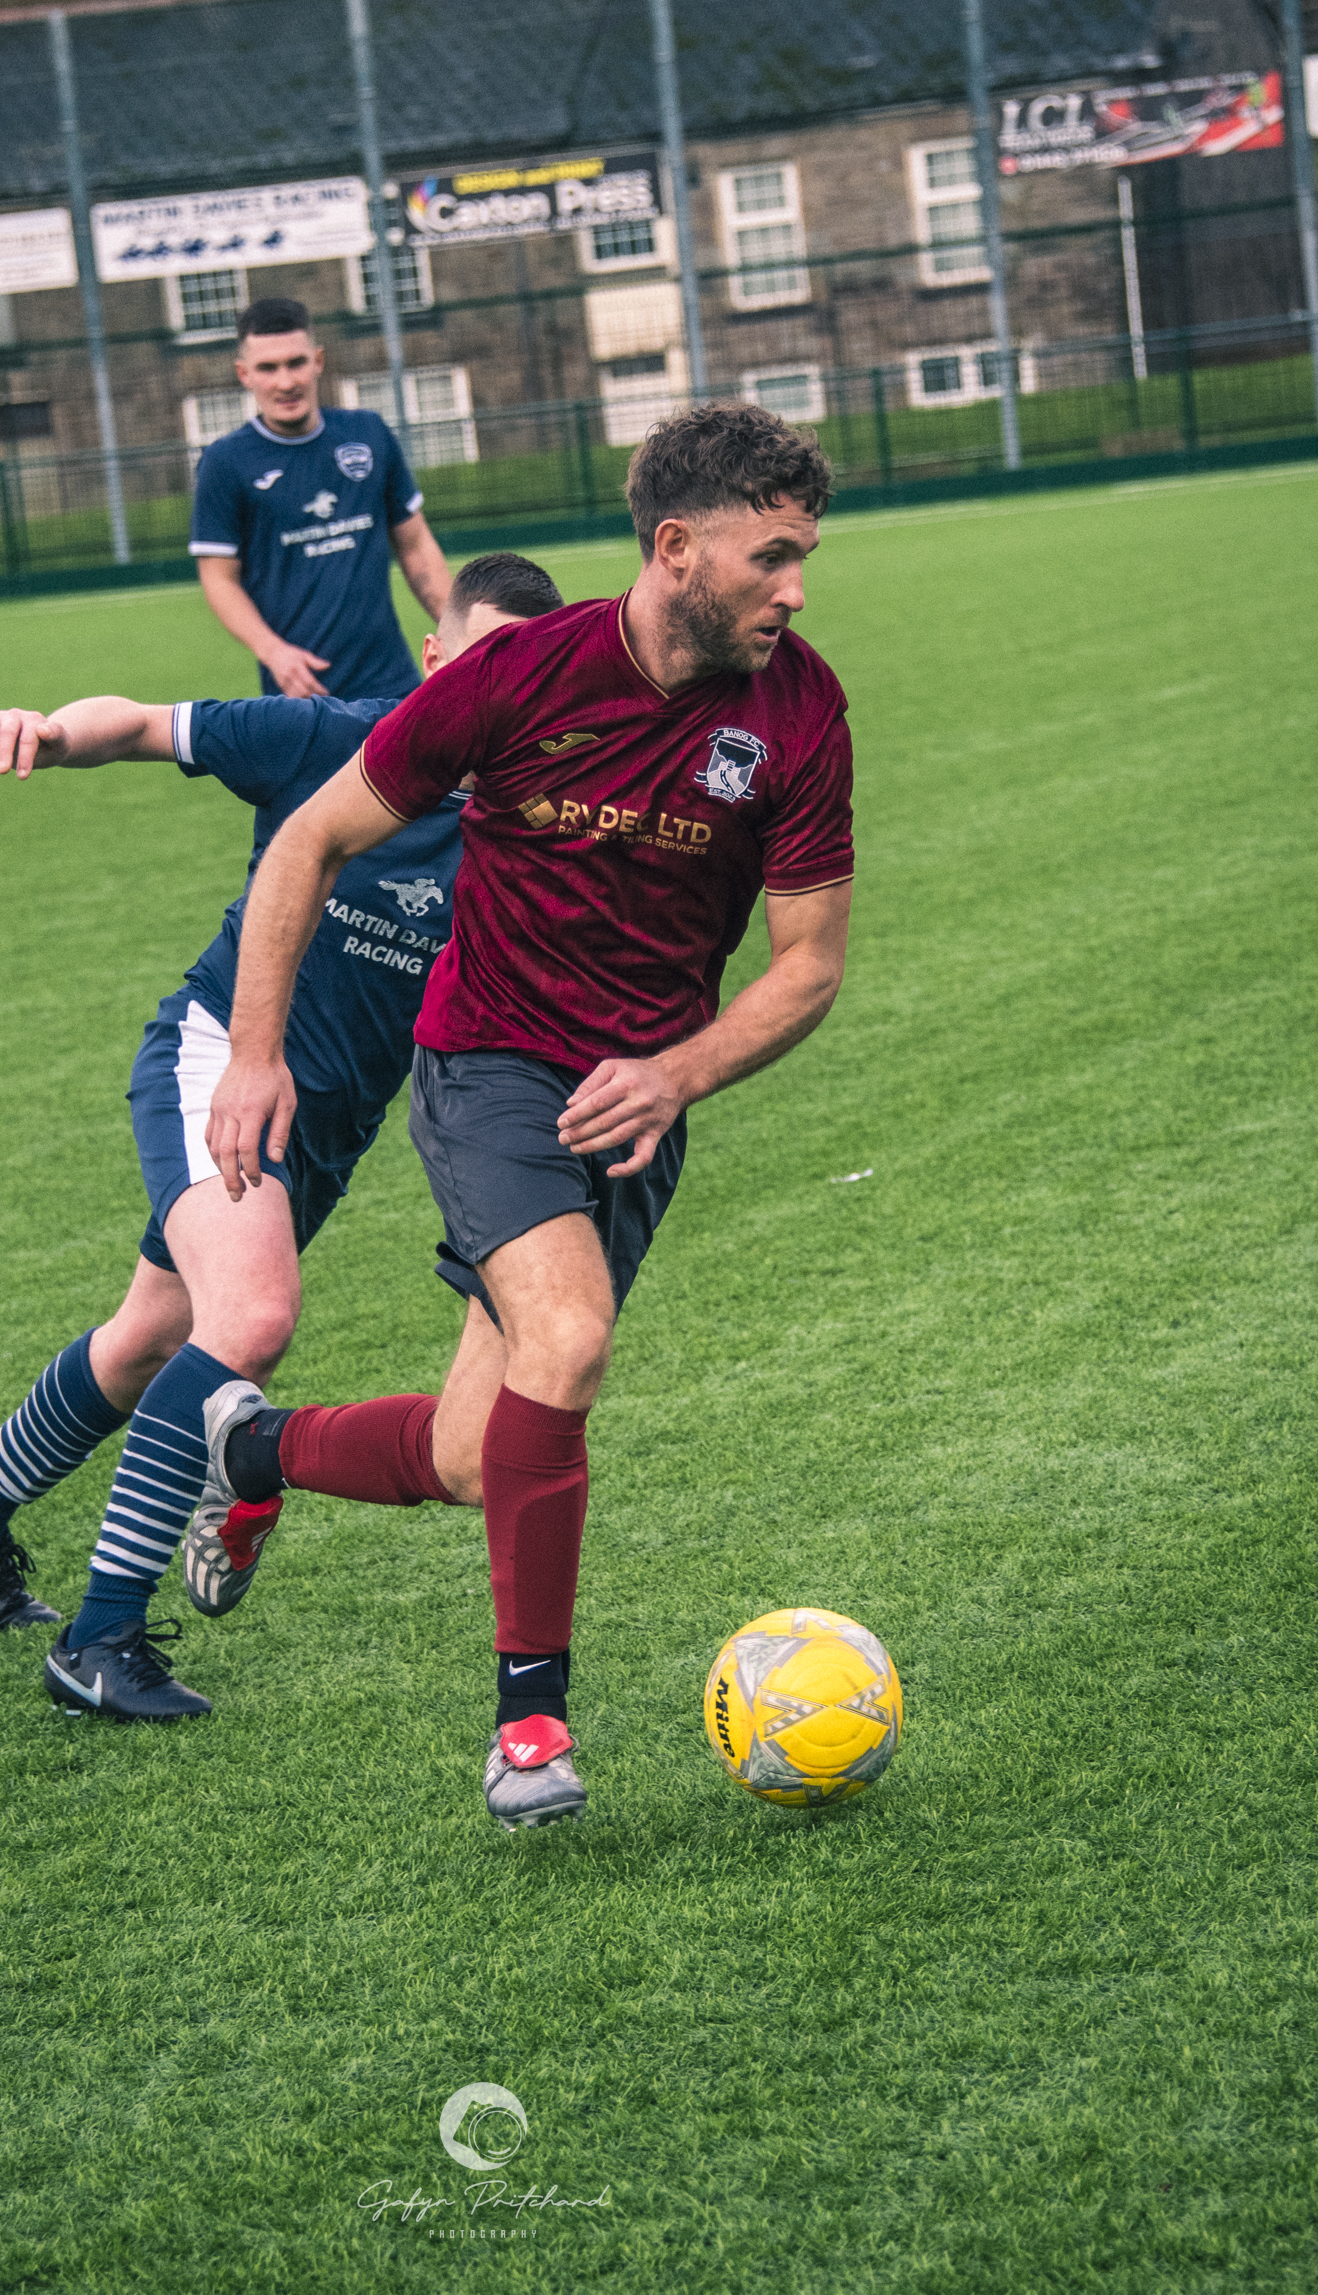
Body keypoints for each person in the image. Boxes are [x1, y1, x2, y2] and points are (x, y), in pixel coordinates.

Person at [203, 403, 855, 1830]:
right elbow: (310, 835)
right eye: (772, 559)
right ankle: (528, 1730)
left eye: (805, 558)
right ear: (676, 549)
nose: (796, 591)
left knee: (465, 1451)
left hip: (635, 1101)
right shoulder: (520, 676)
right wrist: (256, 1057)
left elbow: (808, 963)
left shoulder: (798, 711)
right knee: (569, 1339)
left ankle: (256, 1449)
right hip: (491, 1064)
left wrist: (678, 1072)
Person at [0, 552, 564, 1726]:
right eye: (480, 658)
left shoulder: (533, 826)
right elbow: (148, 724)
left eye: (524, 670)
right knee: (250, 1320)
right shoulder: (336, 741)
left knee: (147, 1338)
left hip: (327, 1129)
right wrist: (49, 732)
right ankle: (103, 1641)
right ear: (434, 656)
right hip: (219, 1059)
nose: (497, 690)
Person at [190, 296, 451, 703]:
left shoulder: (368, 434)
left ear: (318, 360)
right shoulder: (225, 462)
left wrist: (462, 632)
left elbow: (415, 546)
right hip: (300, 695)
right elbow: (219, 577)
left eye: (295, 362)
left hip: (395, 687)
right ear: (244, 374)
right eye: (267, 367)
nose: (285, 381)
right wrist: (272, 651)